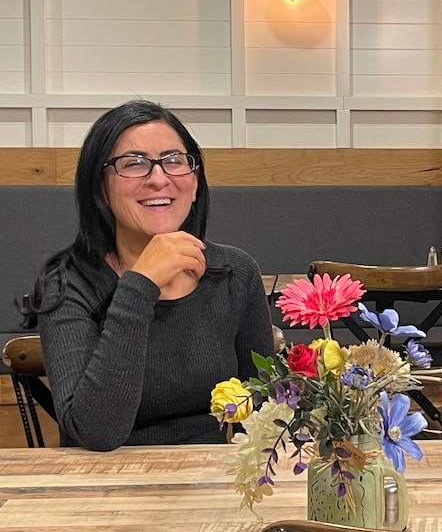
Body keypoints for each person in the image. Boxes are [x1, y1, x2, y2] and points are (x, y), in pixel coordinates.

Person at [20, 100, 275, 451]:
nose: (159, 179)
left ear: (195, 181)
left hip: (210, 482)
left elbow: (266, 419)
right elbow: (95, 432)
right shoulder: (68, 284)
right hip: (102, 488)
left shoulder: (235, 274)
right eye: (134, 164)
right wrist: (139, 285)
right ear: (99, 190)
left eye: (174, 161)